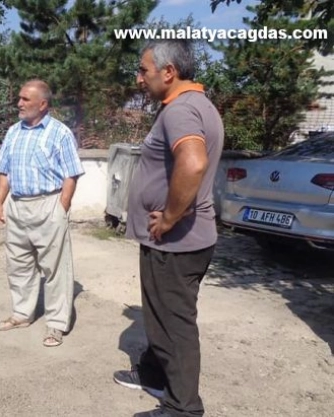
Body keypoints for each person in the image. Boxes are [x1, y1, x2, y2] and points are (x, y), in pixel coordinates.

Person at [112, 40, 224, 417]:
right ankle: (154, 373)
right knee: (162, 316)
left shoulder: (181, 110)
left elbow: (192, 164)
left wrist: (171, 217)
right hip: (179, 241)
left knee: (175, 324)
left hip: (176, 241)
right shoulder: (195, 105)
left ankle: (182, 408)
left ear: (169, 72)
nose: (139, 78)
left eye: (144, 70)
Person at [0, 79, 84, 348]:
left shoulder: (60, 133)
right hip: (18, 205)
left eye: (25, 99)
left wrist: (61, 207)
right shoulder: (13, 132)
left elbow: (71, 174)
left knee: (55, 269)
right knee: (18, 264)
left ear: (42, 104)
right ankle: (22, 314)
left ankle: (56, 324)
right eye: (19, 98)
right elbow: (5, 171)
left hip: (48, 204)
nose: (19, 103)